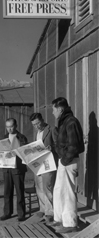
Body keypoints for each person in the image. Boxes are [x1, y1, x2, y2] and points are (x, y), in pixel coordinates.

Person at [47, 97, 84, 234]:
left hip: (69, 161)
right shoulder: (64, 122)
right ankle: (59, 218)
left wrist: (64, 160)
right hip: (64, 161)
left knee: (67, 192)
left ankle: (70, 223)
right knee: (58, 190)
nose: (52, 112)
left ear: (60, 109)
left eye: (54, 109)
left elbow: (74, 146)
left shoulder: (71, 122)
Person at [0, 118, 28, 222]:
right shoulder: (4, 138)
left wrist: (17, 152)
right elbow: (0, 150)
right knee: (7, 192)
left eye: (11, 126)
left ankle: (21, 214)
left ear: (16, 125)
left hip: (18, 168)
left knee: (19, 191)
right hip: (6, 168)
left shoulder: (22, 137)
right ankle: (7, 213)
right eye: (7, 127)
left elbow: (26, 152)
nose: (9, 129)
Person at [29, 113, 58, 223]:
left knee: (48, 187)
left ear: (42, 120)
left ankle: (50, 212)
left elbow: (58, 144)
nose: (37, 126)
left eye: (38, 123)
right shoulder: (37, 132)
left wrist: (52, 148)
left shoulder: (51, 129)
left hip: (48, 163)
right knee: (39, 187)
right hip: (38, 163)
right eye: (34, 125)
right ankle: (43, 208)